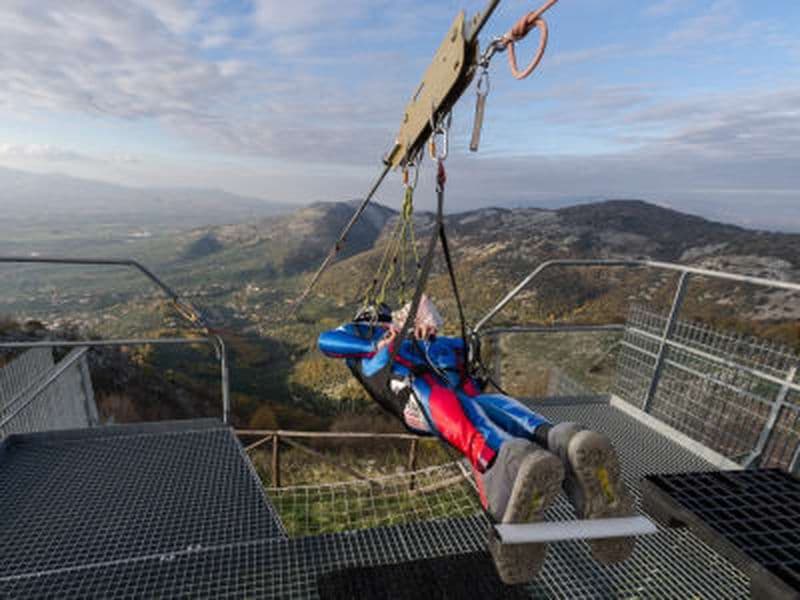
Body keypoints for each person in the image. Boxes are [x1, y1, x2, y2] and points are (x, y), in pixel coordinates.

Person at [318, 295, 635, 584]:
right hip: (430, 387)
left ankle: (511, 459)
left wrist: (422, 324)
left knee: (474, 411)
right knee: (481, 405)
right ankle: (560, 438)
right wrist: (392, 336)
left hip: (434, 393)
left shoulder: (404, 342)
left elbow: (330, 342)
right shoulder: (371, 339)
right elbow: (329, 341)